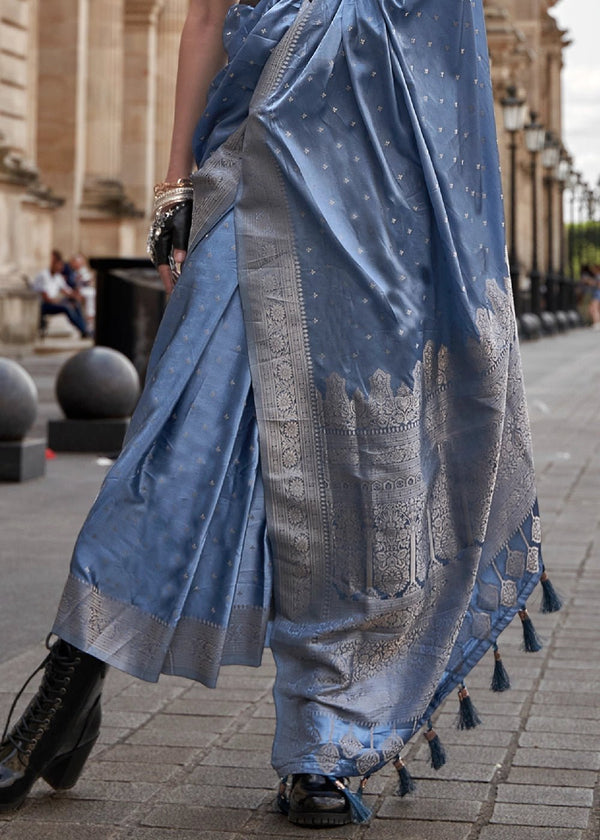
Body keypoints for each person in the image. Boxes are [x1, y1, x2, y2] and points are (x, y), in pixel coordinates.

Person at [0, 0, 559, 827]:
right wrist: (174, 182)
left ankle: (323, 743)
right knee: (173, 446)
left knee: (358, 475)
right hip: (252, 171)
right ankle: (70, 680)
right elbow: (202, 18)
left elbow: (448, 66)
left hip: (375, 210)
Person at [32, 250, 91, 338]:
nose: (61, 268)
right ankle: (83, 329)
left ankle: (84, 329)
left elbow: (66, 290)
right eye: (59, 265)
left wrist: (75, 296)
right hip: (44, 305)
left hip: (54, 302)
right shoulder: (44, 276)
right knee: (67, 307)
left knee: (75, 303)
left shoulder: (57, 277)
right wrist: (62, 301)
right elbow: (46, 298)